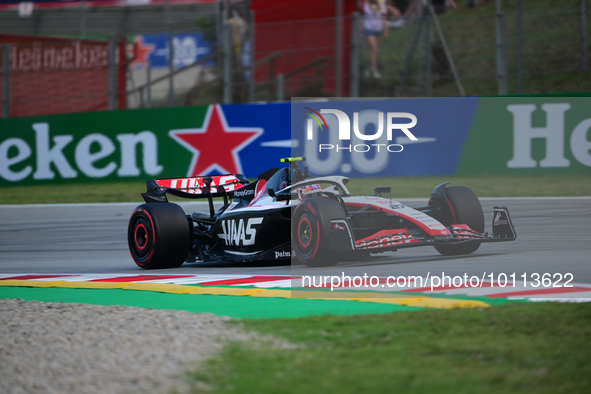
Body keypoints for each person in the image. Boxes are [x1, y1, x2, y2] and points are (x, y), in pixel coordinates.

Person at [363, 0, 388, 78]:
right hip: (369, 29)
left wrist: (386, 30)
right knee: (374, 49)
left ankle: (368, 66)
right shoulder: (366, 4)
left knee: (375, 51)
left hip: (378, 30)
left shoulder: (381, 5)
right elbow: (362, 16)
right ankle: (374, 70)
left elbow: (384, 18)